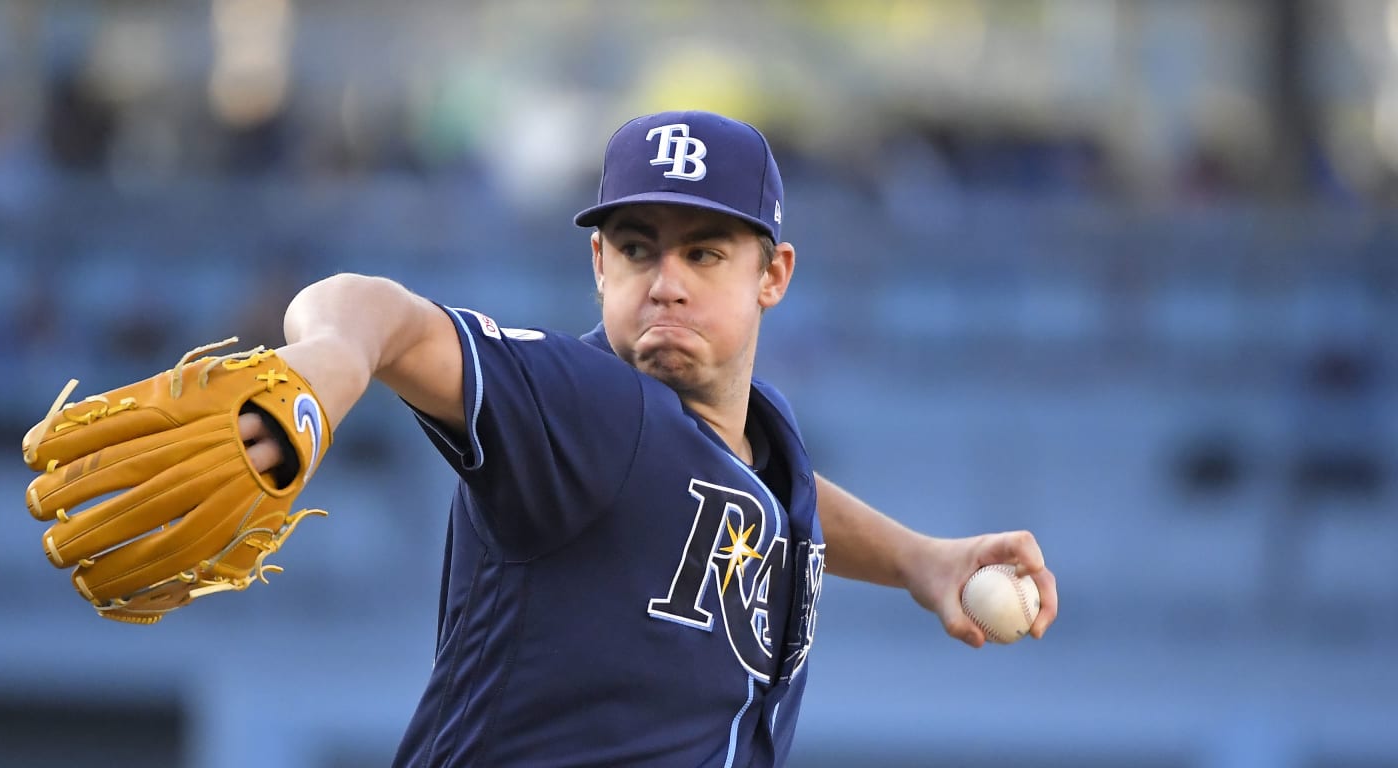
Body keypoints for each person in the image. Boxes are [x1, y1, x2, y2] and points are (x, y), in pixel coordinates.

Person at [239, 110, 1058, 767]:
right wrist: (322, 371)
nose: (666, 284)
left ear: (772, 275)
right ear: (599, 264)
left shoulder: (757, 442)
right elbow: (366, 306)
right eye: (637, 249)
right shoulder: (582, 406)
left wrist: (920, 558)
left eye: (704, 253)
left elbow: (764, 503)